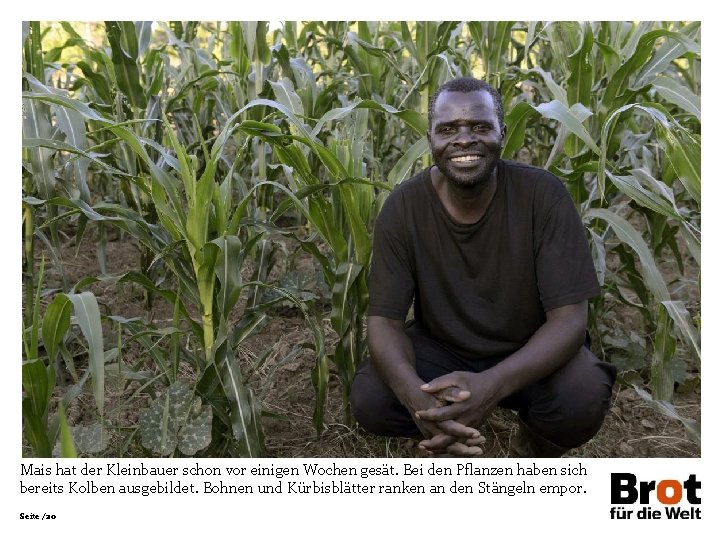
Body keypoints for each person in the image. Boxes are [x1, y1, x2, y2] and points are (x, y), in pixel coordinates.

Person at [350, 76, 616, 457]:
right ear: (430, 139)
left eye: (479, 127)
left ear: (502, 134)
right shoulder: (404, 207)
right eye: (448, 129)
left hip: (529, 351)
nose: (463, 140)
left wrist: (490, 386)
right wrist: (417, 401)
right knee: (372, 397)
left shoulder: (543, 196)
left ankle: (534, 441)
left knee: (582, 395)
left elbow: (570, 320)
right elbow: (384, 322)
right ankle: (444, 433)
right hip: (442, 351)